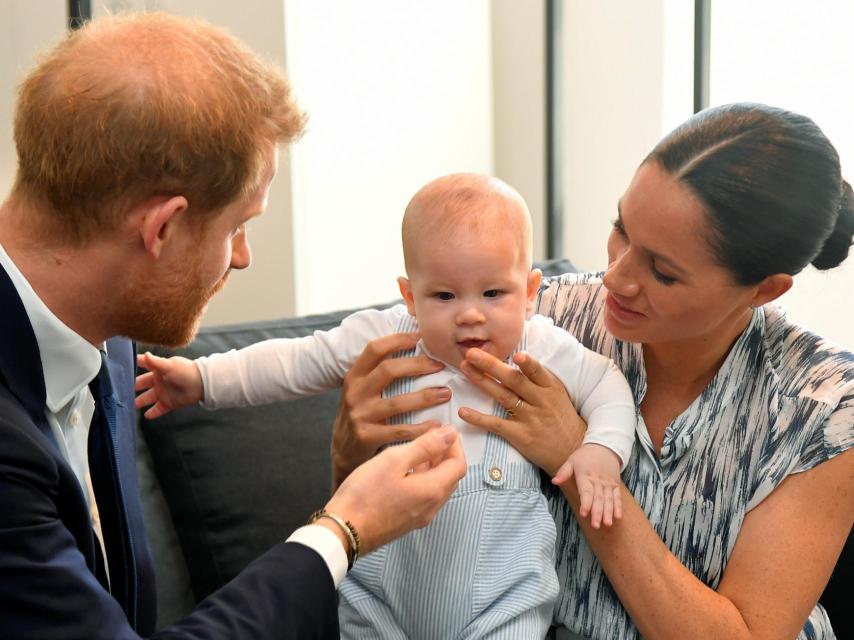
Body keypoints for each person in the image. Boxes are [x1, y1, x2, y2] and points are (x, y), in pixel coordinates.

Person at [0, 12, 467, 639]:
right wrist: (341, 531)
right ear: (161, 229)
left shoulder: (106, 332)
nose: (242, 256)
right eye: (237, 227)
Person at [331, 103, 854, 639]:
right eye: (621, 230)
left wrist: (575, 457)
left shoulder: (824, 406)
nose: (616, 278)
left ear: (763, 290)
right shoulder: (537, 318)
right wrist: (351, 450)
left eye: (663, 272)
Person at [135, 173, 637, 638]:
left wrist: (598, 453)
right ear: (410, 297)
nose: (469, 315)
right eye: (443, 295)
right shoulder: (389, 335)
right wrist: (201, 379)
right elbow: (295, 362)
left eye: (492, 293)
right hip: (382, 597)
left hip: (502, 602)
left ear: (529, 292)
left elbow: (607, 387)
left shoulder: (542, 346)